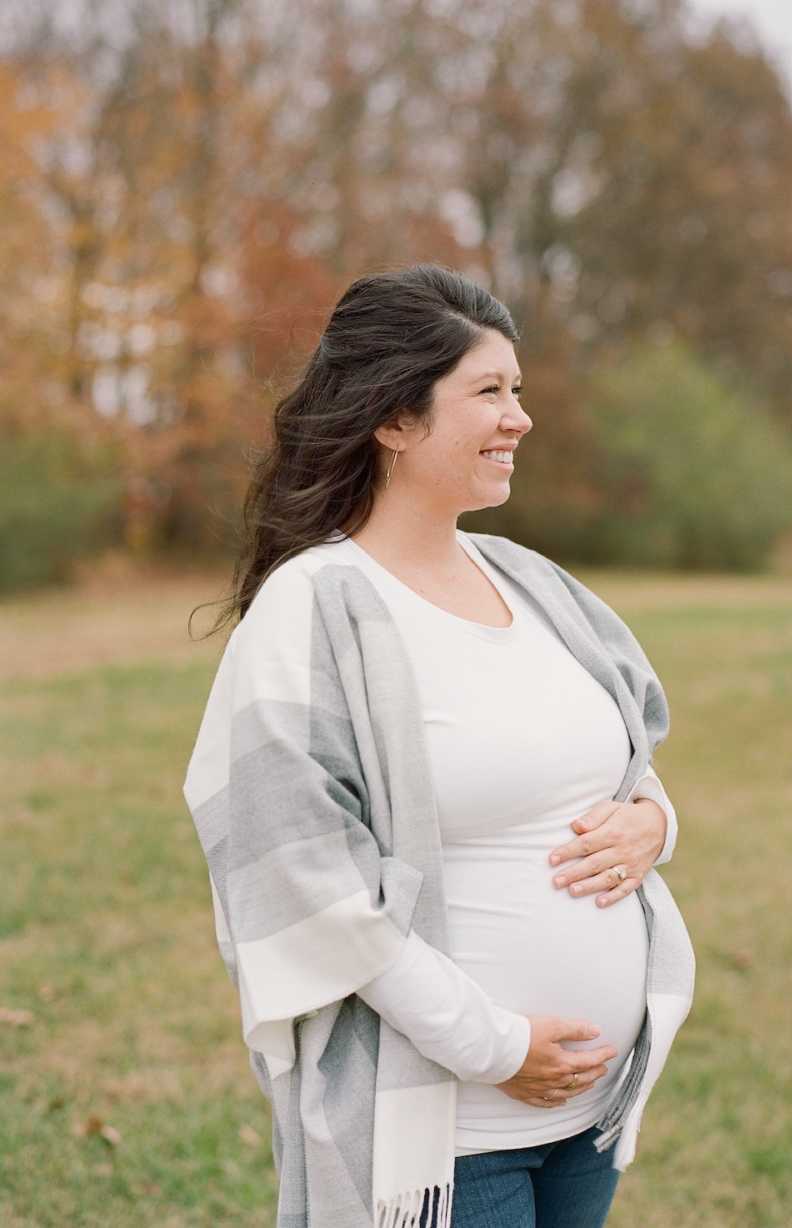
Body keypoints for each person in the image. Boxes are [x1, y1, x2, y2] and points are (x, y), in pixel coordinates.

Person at [183, 262, 695, 1228]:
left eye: (519, 391)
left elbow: (621, 762)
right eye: (490, 392)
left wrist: (656, 823)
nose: (521, 418)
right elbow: (300, 878)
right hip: (445, 1134)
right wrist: (498, 1046)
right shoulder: (315, 608)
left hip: (590, 1113)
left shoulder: (527, 579)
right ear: (395, 420)